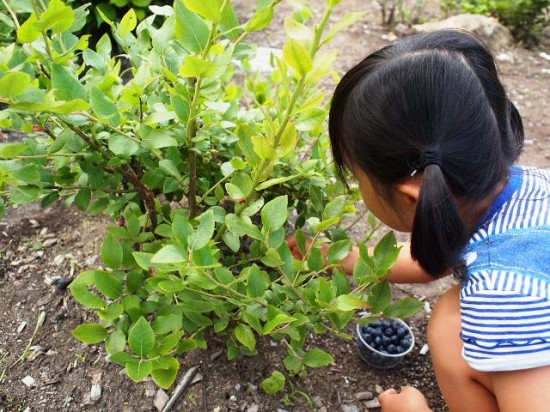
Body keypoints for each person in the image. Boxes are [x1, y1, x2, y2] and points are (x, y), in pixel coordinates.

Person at [287, 29, 550, 411]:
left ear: (412, 195)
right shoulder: (528, 191)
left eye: (358, 177)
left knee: (449, 327)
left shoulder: (505, 304)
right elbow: (433, 257)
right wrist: (332, 256)